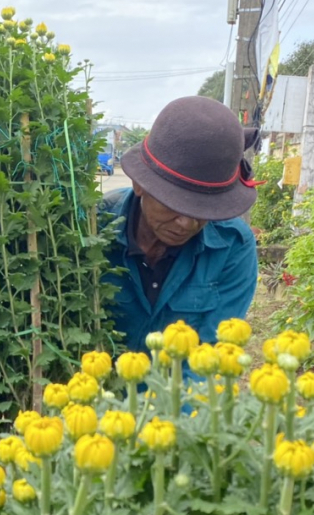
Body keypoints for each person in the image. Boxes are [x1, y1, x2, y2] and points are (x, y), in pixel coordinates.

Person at [101, 96, 259, 352]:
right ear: (139, 184)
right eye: (174, 204)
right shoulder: (93, 228)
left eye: (203, 209)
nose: (187, 222)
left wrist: (165, 394)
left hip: (183, 391)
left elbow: (211, 354)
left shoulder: (234, 246)